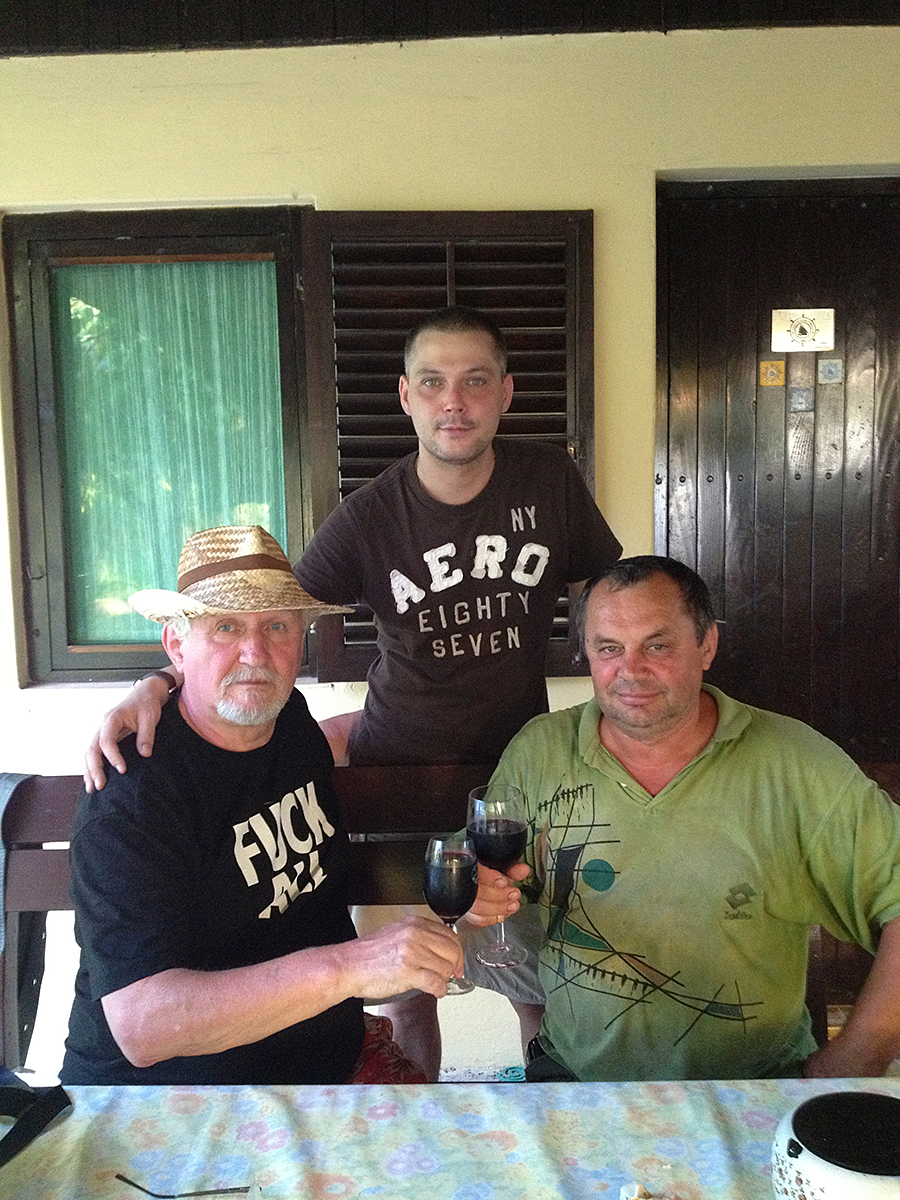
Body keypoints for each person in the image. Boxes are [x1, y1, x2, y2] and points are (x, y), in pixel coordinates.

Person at [82, 306, 622, 1079]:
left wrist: (620, 697)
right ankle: (413, 1111)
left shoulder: (549, 481)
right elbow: (260, 619)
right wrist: (163, 682)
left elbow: (610, 596)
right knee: (407, 990)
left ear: (506, 392)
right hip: (396, 776)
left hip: (517, 778)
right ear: (406, 396)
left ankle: (547, 1102)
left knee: (531, 975)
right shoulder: (371, 516)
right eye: (432, 382)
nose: (454, 402)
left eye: (475, 381)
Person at [466, 555, 900, 1081]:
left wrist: (861, 1056)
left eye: (657, 646)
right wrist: (478, 892)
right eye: (609, 648)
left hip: (754, 1088)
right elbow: (490, 875)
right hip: (575, 1079)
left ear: (707, 645)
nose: (630, 670)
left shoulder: (796, 765)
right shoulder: (541, 750)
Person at [61, 526, 463, 1085]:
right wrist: (349, 967)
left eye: (277, 626)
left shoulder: (288, 718)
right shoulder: (132, 797)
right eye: (225, 626)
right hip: (179, 1101)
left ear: (301, 639)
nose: (255, 653)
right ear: (177, 644)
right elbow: (144, 1026)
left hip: (327, 1066)